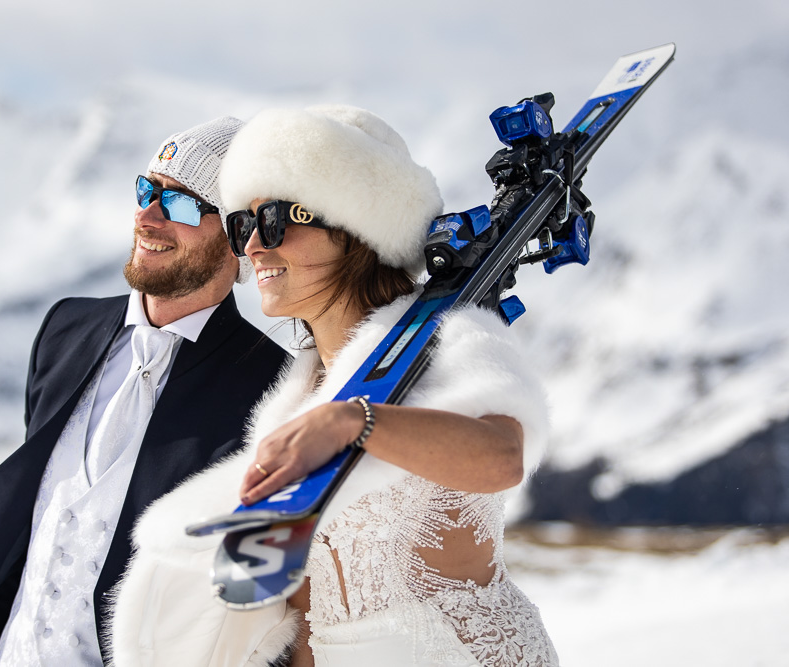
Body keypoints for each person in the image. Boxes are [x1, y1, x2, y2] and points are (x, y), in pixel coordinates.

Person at [108, 106, 558, 666]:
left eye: (272, 221)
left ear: (352, 231)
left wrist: (354, 422)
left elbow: (501, 457)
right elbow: (306, 605)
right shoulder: (290, 403)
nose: (251, 247)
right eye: (242, 226)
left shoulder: (451, 336)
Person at [0, 116, 289, 666]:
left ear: (238, 237)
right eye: (147, 191)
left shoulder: (273, 385)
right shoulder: (64, 329)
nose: (147, 217)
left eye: (184, 205)